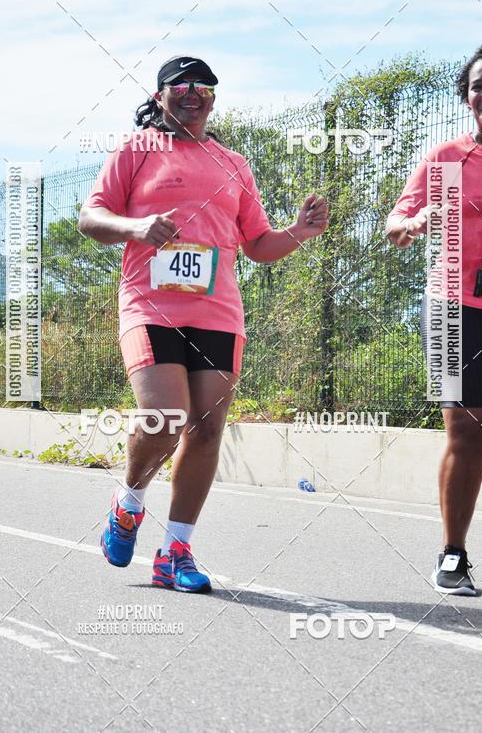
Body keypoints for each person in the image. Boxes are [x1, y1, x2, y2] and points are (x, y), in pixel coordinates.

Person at [79, 55, 328, 593]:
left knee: (207, 427)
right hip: (150, 304)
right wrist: (137, 226)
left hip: (218, 312)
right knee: (164, 416)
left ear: (214, 98)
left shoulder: (233, 162)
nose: (194, 92)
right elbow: (90, 217)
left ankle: (177, 551)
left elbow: (258, 244)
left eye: (205, 86)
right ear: (161, 93)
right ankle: (129, 502)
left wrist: (299, 232)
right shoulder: (136, 149)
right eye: (181, 84)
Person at [386, 37, 482, 596]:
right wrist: (414, 220)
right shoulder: (447, 160)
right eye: (477, 86)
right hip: (455, 310)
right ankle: (453, 553)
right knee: (473, 435)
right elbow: (394, 224)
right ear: (466, 99)